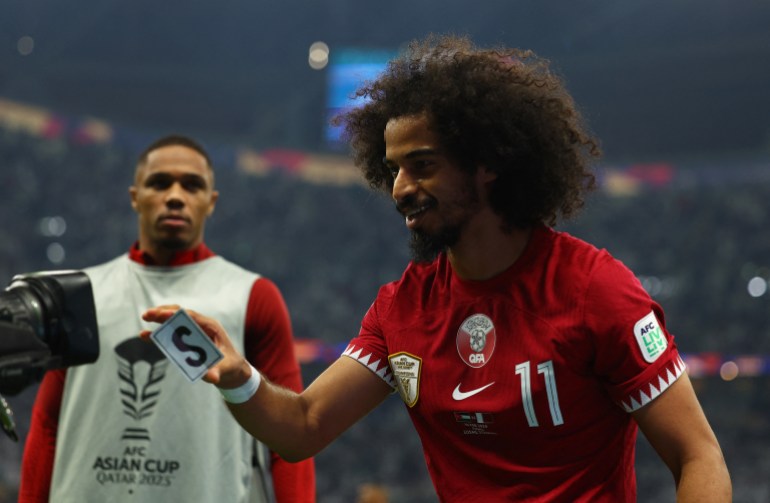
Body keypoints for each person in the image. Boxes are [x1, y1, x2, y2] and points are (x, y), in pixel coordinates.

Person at [142, 36, 732, 502]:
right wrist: (238, 376)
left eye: (422, 165)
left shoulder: (595, 290)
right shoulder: (401, 309)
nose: (401, 188)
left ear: (489, 164)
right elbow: (303, 426)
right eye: (393, 168)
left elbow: (698, 457)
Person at [19, 135, 315, 502]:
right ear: (134, 196)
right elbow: (48, 426)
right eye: (159, 183)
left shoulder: (254, 296)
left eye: (192, 185)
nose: (175, 195)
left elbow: (286, 435)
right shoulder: (79, 294)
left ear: (211, 202)